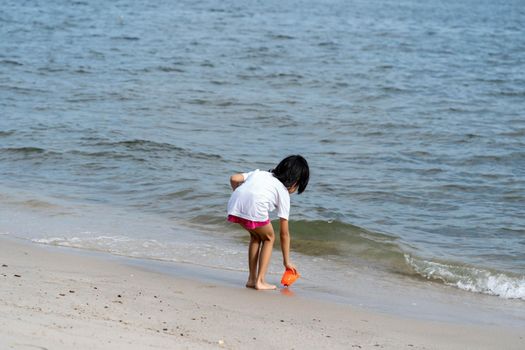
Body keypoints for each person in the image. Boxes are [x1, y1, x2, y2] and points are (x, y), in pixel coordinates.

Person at [227, 155, 309, 290]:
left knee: (256, 237)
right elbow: (284, 233)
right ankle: (260, 281)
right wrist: (286, 261)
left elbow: (234, 178)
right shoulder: (283, 191)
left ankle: (251, 279)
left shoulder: (260, 173)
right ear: (295, 182)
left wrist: (239, 194)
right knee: (269, 238)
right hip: (254, 207)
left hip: (235, 204)